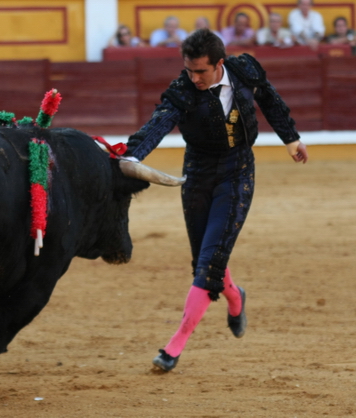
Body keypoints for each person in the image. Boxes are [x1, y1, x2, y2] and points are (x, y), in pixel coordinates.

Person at [124, 29, 308, 372]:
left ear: (219, 64)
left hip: (237, 171)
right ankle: (235, 296)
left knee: (210, 261)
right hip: (197, 174)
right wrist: (132, 157)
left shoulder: (244, 70)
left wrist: (291, 139)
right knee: (205, 259)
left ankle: (173, 347)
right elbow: (158, 123)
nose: (193, 78)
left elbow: (269, 99)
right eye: (189, 70)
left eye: (201, 72)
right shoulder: (182, 91)